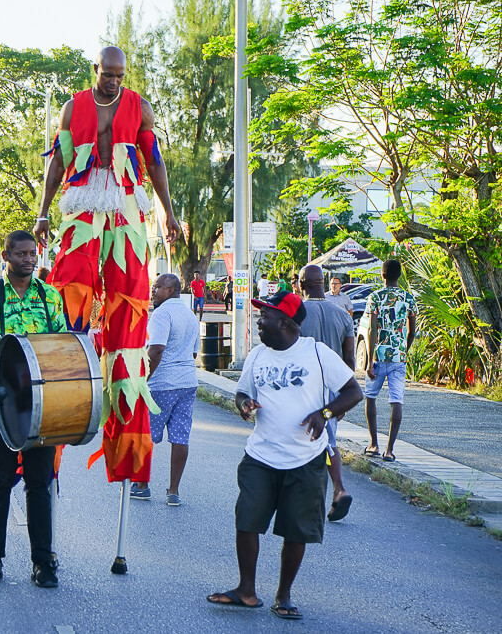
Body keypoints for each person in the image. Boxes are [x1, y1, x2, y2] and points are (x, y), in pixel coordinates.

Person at [34, 46, 180, 486]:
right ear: (95, 70)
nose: (115, 81)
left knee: (130, 299)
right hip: (82, 206)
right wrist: (43, 212)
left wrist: (169, 213)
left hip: (125, 208)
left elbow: (154, 162)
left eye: (120, 75)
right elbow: (59, 162)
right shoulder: (72, 107)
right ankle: (55, 408)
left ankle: (127, 445)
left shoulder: (141, 107)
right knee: (69, 291)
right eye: (108, 74)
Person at [207, 291, 362, 619]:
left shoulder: (317, 354)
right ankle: (246, 590)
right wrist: (244, 405)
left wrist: (325, 413)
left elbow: (353, 391)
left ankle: (284, 595)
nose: (259, 322)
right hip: (260, 456)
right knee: (247, 520)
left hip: (306, 460)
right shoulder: (258, 355)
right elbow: (242, 392)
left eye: (265, 316)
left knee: (296, 529)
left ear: (286, 322)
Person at [0, 230, 67, 589]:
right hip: (1, 405)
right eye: (20, 253)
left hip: (42, 406)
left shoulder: (50, 296)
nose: (28, 259)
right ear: (5, 255)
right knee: (0, 482)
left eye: (32, 253)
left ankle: (43, 563)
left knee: (40, 484)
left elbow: (61, 348)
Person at [132, 274, 199, 505]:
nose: (153, 292)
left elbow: (156, 350)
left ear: (170, 290)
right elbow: (193, 354)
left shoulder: (162, 313)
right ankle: (173, 491)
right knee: (181, 437)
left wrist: (143, 379)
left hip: (162, 384)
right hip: (188, 383)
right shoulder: (190, 315)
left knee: (146, 436)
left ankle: (142, 486)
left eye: (157, 287)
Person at [298, 264, 356, 522]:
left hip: (304, 387)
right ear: (324, 283)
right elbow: (350, 359)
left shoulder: (298, 313)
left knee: (301, 442)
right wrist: (342, 400)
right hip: (334, 391)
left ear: (301, 284)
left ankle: (309, 497)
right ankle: (338, 488)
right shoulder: (342, 314)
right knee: (329, 443)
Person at [362, 259, 417, 462]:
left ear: (382, 276)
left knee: (370, 397)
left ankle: (374, 444)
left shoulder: (375, 297)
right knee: (396, 401)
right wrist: (404, 350)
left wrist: (369, 360)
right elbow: (412, 331)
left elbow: (371, 328)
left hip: (377, 355)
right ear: (399, 276)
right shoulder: (409, 298)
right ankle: (390, 450)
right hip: (398, 358)